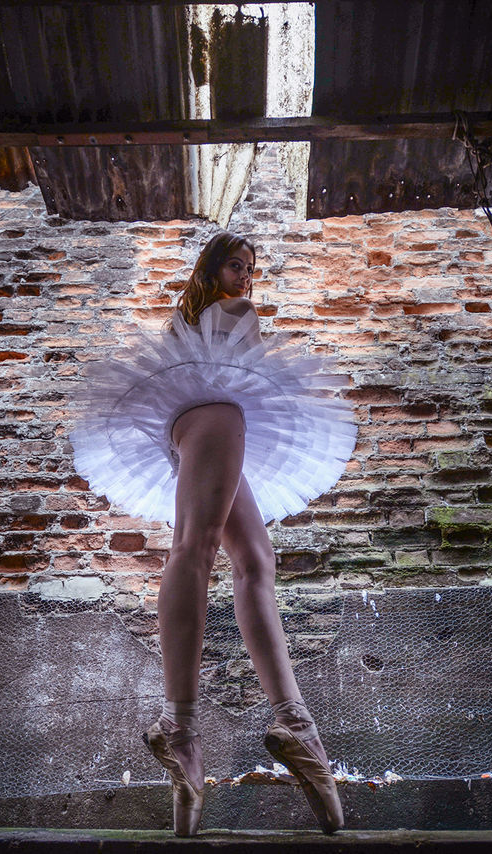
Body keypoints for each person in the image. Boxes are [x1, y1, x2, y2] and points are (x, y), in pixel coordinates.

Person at [69, 232, 356, 836]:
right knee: (195, 549)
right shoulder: (238, 312)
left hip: (191, 419)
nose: (247, 277)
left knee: (255, 560)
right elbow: (239, 365)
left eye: (251, 269)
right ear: (212, 268)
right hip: (217, 411)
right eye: (236, 265)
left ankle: (289, 725)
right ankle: (183, 729)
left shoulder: (189, 314)